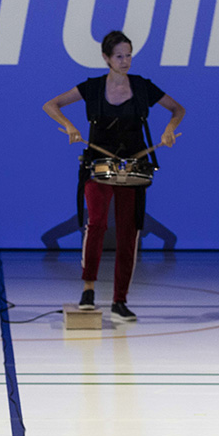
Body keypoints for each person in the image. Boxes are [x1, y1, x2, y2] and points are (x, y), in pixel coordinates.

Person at [43, 30, 184, 322]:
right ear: (106, 58)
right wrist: (70, 127)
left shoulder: (143, 87)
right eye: (119, 56)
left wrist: (169, 130)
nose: (125, 61)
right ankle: (88, 290)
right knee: (95, 224)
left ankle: (120, 301)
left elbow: (177, 109)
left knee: (128, 233)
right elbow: (51, 105)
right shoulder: (92, 87)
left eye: (129, 55)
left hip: (133, 168)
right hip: (98, 165)